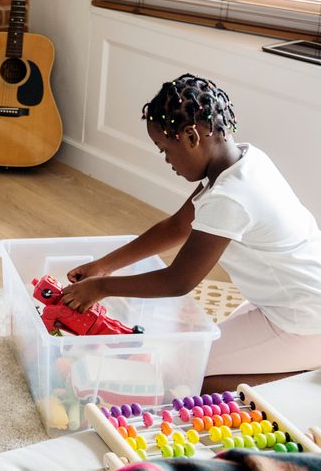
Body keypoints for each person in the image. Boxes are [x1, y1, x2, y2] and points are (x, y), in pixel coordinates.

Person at [61, 73, 321, 393]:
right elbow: (177, 227)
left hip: (305, 320)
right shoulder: (245, 160)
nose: (168, 161)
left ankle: (302, 379)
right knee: (192, 360)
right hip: (290, 300)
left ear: (191, 137)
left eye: (164, 149)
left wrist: (101, 288)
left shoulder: (232, 197)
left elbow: (178, 282)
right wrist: (104, 265)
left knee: (188, 381)